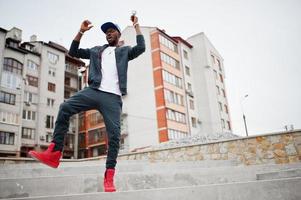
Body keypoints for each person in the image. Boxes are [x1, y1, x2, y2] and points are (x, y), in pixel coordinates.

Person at [28, 15, 145, 192]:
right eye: (106, 32)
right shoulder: (96, 50)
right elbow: (73, 52)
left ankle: (109, 176)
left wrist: (136, 26)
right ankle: (54, 153)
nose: (108, 33)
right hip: (94, 91)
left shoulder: (124, 51)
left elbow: (142, 47)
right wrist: (80, 32)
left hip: (112, 98)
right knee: (65, 107)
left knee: (114, 136)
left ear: (119, 34)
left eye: (112, 31)